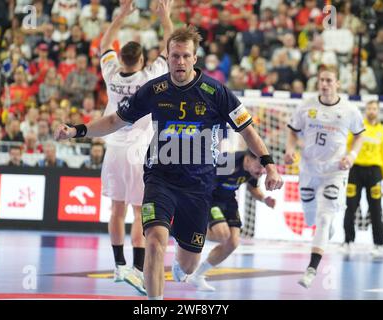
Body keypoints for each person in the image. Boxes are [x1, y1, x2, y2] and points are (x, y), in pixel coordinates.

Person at [55, 24, 283, 300]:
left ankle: (182, 262)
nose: (180, 61)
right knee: (154, 241)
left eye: (186, 56)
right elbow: (115, 120)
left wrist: (269, 165)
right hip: (159, 178)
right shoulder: (155, 89)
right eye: (175, 56)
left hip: (198, 185)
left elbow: (247, 129)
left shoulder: (216, 92)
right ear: (168, 55)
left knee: (188, 264)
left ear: (195, 58)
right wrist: (77, 130)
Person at [92, 0, 173, 295]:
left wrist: (121, 16)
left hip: (113, 147)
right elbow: (169, 46)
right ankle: (138, 271)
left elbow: (103, 44)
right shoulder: (149, 78)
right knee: (139, 213)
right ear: (140, 61)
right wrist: (165, 16)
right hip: (139, 151)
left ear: (122, 59)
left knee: (116, 209)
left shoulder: (111, 74)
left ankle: (118, 266)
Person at [284, 64, 365, 289]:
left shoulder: (350, 110)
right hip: (309, 170)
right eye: (322, 80)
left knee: (324, 217)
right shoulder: (306, 106)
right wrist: (290, 149)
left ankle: (311, 269)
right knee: (310, 218)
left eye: (330, 80)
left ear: (337, 83)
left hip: (335, 171)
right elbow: (292, 130)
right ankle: (326, 230)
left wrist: (351, 155)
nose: (325, 84)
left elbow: (359, 136)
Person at [186, 150, 276, 291]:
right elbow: (202, 181)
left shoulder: (253, 171)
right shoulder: (227, 162)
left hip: (229, 201)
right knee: (222, 234)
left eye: (263, 168)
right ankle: (186, 235)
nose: (262, 171)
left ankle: (197, 276)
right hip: (211, 198)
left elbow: (253, 189)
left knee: (232, 243)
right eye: (259, 167)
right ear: (248, 159)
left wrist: (265, 199)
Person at [343, 100, 383, 257]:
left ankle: (379, 244)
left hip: (375, 172)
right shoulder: (357, 127)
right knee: (350, 206)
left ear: (378, 111)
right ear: (365, 110)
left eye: (374, 108)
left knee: (376, 208)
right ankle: (348, 241)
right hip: (355, 170)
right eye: (369, 108)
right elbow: (347, 146)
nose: (371, 111)